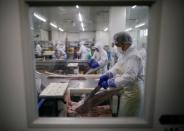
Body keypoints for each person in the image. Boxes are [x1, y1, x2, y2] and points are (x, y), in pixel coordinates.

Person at [98, 32, 144, 116]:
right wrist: (108, 74)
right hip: (126, 90)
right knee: (123, 117)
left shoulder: (133, 56)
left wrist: (111, 82)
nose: (116, 47)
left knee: (126, 120)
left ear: (124, 43)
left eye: (117, 44)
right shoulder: (125, 53)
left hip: (132, 93)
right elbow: (117, 66)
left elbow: (130, 77)